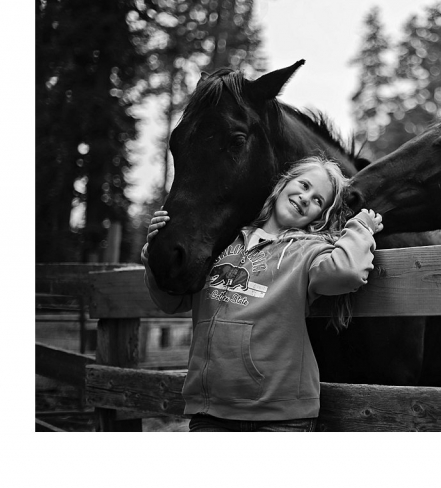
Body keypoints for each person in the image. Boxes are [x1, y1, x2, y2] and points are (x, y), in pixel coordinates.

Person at [141, 155, 383, 432]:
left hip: (278, 415)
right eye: (304, 185)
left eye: (318, 200)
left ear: (321, 215)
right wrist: (155, 254)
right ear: (282, 185)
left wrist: (361, 228)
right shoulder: (221, 241)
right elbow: (172, 301)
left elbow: (348, 272)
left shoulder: (308, 252)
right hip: (210, 409)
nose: (306, 198)